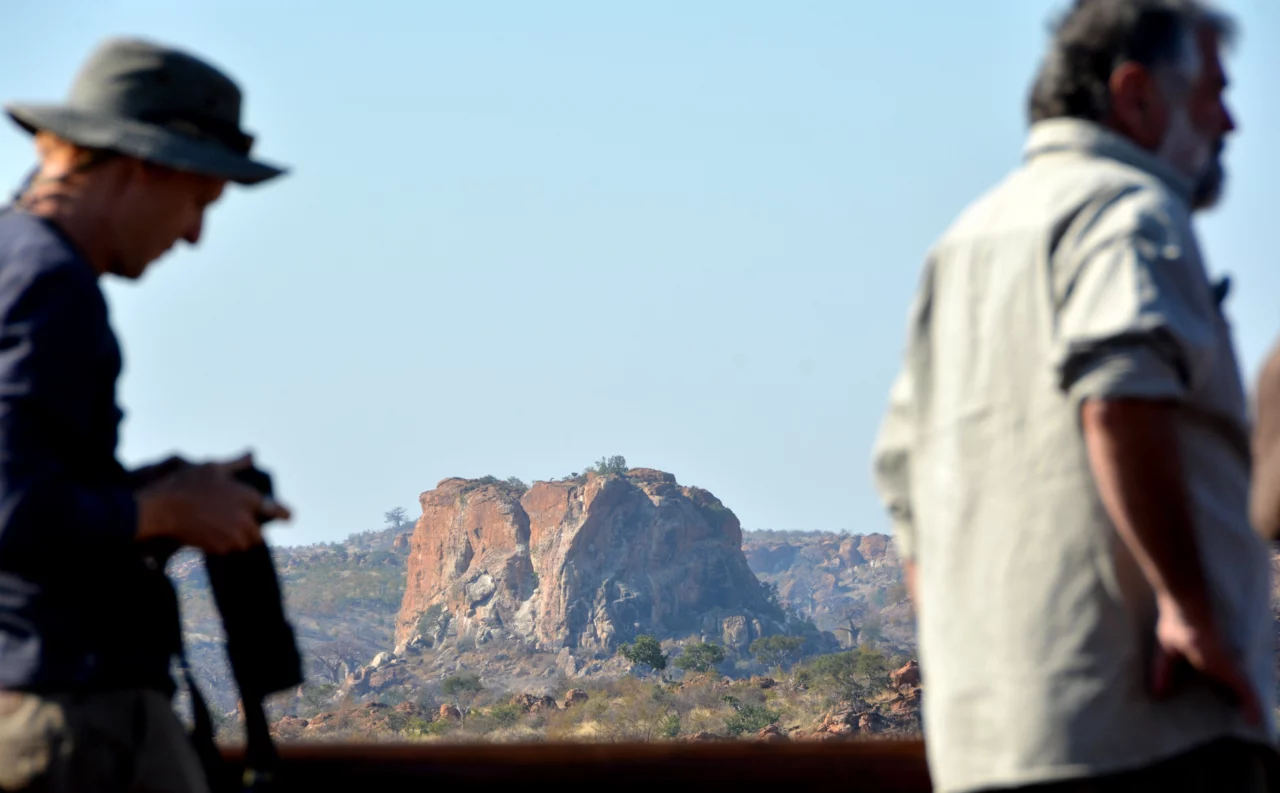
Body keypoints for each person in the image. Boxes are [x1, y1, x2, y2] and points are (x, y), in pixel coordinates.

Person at [872, 1, 1275, 791]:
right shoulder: (1128, 210)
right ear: (1136, 96)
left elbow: (902, 481)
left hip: (986, 744)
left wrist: (972, 668)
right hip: (1148, 731)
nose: (1228, 122)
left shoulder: (966, 238)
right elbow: (1118, 403)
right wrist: (1188, 606)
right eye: (1210, 93)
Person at [0, 38, 291, 792]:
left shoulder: (15, 261)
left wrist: (166, 494)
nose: (192, 234)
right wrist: (162, 507)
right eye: (198, 201)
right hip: (68, 719)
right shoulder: (49, 286)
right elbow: (10, 507)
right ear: (141, 167)